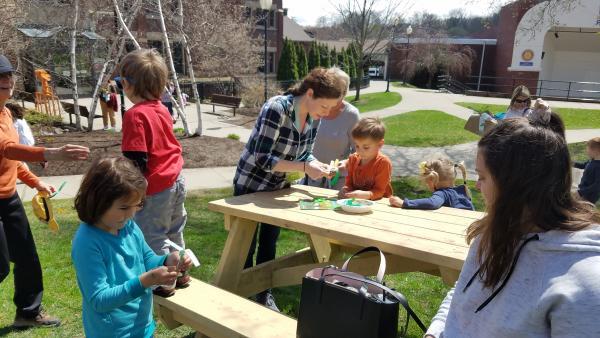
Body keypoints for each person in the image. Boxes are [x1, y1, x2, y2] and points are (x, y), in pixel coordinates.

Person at [424, 118, 600, 338]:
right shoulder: (494, 232)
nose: (477, 186)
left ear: (516, 186)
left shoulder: (585, 283)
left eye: (482, 177)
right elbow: (464, 292)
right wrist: (435, 331)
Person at [234, 67, 346, 311]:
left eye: (330, 109)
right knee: (246, 245)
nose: (326, 114)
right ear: (309, 93)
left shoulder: (314, 118)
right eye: (325, 107)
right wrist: (304, 167)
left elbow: (305, 153)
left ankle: (263, 293)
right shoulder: (277, 109)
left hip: (276, 187)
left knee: (269, 243)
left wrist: (316, 165)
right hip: (250, 186)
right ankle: (242, 297)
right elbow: (262, 158)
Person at [0, 54, 90, 328]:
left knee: (27, 256)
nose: (8, 82)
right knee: (1, 265)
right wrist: (52, 153)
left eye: (9, 77)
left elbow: (10, 160)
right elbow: (6, 148)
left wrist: (34, 182)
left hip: (8, 197)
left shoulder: (5, 113)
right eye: (2, 80)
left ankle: (28, 313)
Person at [72, 156, 192, 338]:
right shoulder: (87, 242)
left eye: (137, 205)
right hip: (112, 333)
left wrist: (168, 260)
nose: (131, 214)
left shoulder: (128, 226)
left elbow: (147, 259)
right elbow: (99, 299)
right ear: (98, 201)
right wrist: (146, 281)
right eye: (124, 208)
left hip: (142, 326)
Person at [118, 49, 189, 298]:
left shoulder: (134, 115)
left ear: (126, 84)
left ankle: (164, 281)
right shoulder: (161, 108)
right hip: (177, 179)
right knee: (174, 230)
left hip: (156, 186)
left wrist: (132, 195)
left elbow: (136, 161)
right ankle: (181, 273)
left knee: (152, 235)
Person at [302, 67, 360, 190]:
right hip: (313, 175)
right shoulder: (314, 108)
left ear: (344, 93)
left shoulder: (351, 115)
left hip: (338, 180)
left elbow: (359, 151)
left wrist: (345, 164)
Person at [389, 157, 474, 210]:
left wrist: (404, 203)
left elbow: (432, 203)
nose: (426, 184)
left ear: (432, 180)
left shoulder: (442, 194)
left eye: (427, 182)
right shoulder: (462, 190)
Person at [340, 117, 393, 200]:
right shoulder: (353, 159)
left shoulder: (383, 163)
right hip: (356, 202)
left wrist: (365, 195)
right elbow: (349, 183)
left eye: (366, 147)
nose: (360, 151)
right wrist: (346, 189)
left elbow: (379, 191)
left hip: (380, 204)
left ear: (380, 144)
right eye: (357, 146)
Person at [573, 137, 600, 204]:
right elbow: (583, 165)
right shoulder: (592, 160)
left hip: (589, 196)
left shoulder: (598, 167)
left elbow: (597, 186)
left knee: (582, 211)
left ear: (596, 151)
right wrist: (572, 163)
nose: (586, 151)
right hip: (582, 191)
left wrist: (581, 192)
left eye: (588, 149)